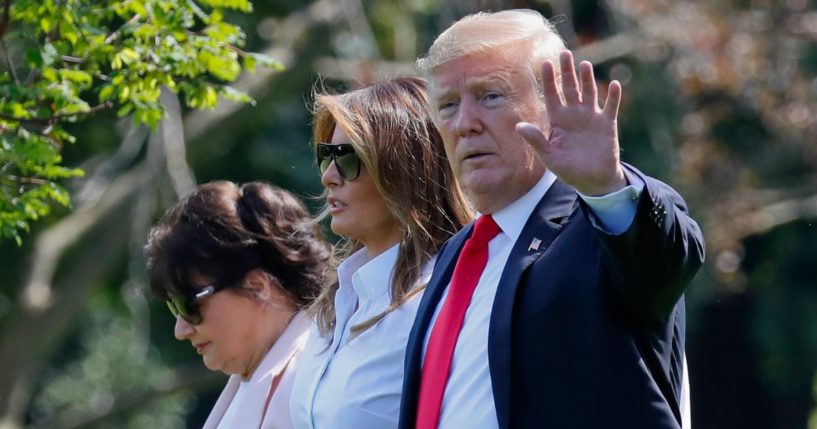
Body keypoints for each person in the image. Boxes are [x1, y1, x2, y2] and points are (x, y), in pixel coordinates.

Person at [398, 9, 704, 429]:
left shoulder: (601, 223)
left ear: (552, 102)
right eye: (448, 105)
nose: (465, 124)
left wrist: (605, 185)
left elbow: (666, 256)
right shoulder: (455, 256)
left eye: (491, 95)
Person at [289, 76, 473, 429]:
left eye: (347, 157)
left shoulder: (444, 301)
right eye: (325, 155)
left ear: (406, 168)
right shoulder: (336, 303)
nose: (328, 175)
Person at [145, 181, 331, 429]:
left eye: (189, 304)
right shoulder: (259, 374)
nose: (181, 331)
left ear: (257, 287)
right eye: (174, 307)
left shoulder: (319, 384)